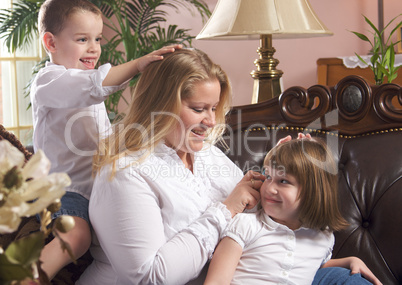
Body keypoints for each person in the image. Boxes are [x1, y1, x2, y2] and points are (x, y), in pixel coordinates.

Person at [77, 48, 380, 285]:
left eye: (213, 108)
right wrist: (224, 209)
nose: (210, 121)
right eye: (198, 109)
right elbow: (151, 276)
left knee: (349, 279)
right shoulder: (126, 173)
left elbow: (260, 207)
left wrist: (286, 162)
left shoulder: (207, 156)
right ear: (159, 105)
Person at [30, 0, 180, 279]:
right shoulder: (48, 82)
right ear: (50, 42)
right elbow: (94, 85)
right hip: (64, 191)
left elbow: (103, 139)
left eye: (98, 39)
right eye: (82, 39)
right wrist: (138, 65)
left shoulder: (89, 89)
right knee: (77, 237)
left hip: (98, 191)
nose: (94, 48)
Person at [204, 138, 382, 285]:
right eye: (268, 176)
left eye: (283, 181)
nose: (269, 188)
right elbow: (216, 282)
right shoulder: (245, 225)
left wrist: (349, 261)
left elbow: (308, 264)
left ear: (313, 191)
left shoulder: (323, 238)